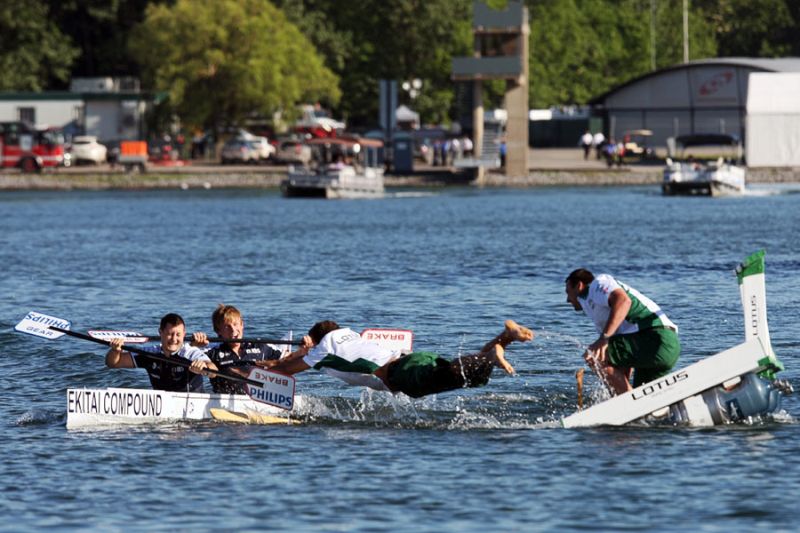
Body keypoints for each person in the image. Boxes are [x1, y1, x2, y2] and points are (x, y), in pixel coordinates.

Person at [263, 319, 534, 398]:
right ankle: (504, 339)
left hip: (401, 374)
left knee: (457, 376)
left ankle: (495, 353)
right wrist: (305, 351)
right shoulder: (349, 336)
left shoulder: (326, 347)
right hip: (411, 359)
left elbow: (287, 370)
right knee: (466, 374)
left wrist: (259, 366)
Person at [564, 269, 680, 396]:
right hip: (667, 347)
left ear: (579, 285)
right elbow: (620, 362)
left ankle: (629, 405)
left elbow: (624, 300)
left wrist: (604, 338)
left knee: (594, 356)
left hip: (655, 338)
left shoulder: (598, 283)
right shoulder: (598, 310)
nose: (567, 300)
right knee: (647, 398)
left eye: (568, 292)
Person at [193, 304, 299, 394]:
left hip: (261, 398)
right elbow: (185, 352)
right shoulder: (212, 351)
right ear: (218, 331)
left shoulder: (260, 345)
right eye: (227, 327)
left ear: (242, 325)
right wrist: (194, 345)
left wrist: (304, 350)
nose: (233, 331)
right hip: (224, 400)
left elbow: (291, 359)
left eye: (235, 324)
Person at [106, 313, 216, 393]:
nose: (174, 339)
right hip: (163, 406)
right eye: (170, 334)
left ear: (184, 334)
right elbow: (113, 363)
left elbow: (214, 371)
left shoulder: (190, 352)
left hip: (193, 408)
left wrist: (204, 369)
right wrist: (115, 350)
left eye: (178, 335)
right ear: (160, 332)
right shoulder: (150, 353)